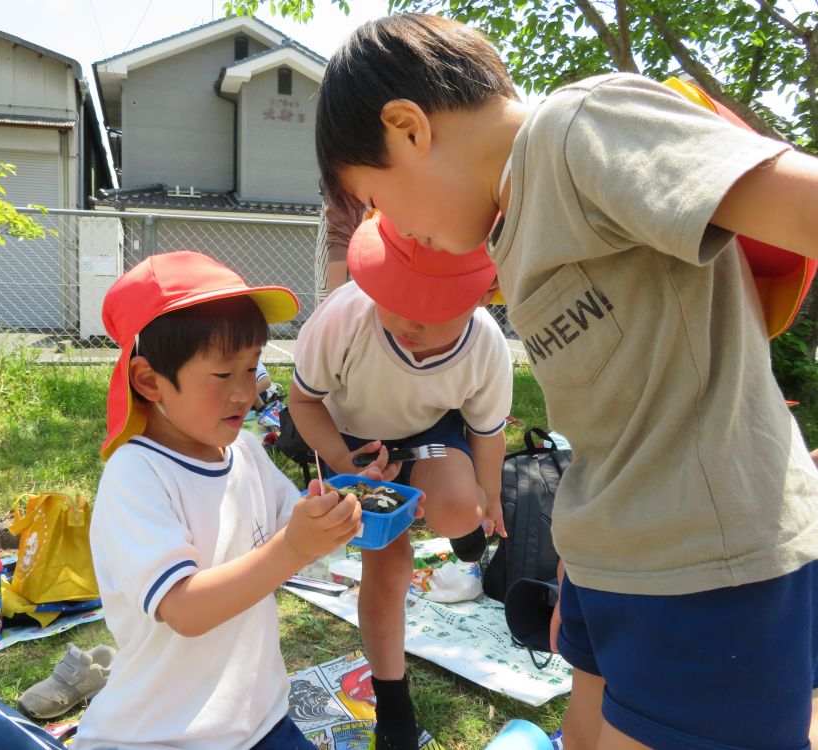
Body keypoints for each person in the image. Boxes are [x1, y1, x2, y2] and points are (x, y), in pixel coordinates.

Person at [313, 13, 818, 750]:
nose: (396, 230)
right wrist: (580, 568)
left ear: (408, 128)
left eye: (380, 201)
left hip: (710, 566)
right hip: (615, 556)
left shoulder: (578, 129)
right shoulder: (511, 231)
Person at [73, 251, 395, 750]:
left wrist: (356, 501)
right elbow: (185, 609)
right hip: (162, 737)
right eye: (223, 375)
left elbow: (301, 527)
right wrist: (292, 546)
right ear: (149, 380)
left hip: (261, 721)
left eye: (252, 368)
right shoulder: (136, 475)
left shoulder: (243, 452)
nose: (245, 393)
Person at [290, 212, 512, 750]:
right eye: (396, 296)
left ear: (478, 301)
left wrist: (492, 498)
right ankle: (393, 702)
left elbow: (487, 431)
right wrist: (346, 465)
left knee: (463, 506)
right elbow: (303, 400)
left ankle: (464, 535)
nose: (409, 320)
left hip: (428, 432)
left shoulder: (485, 346)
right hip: (350, 441)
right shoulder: (346, 316)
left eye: (430, 308)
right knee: (386, 568)